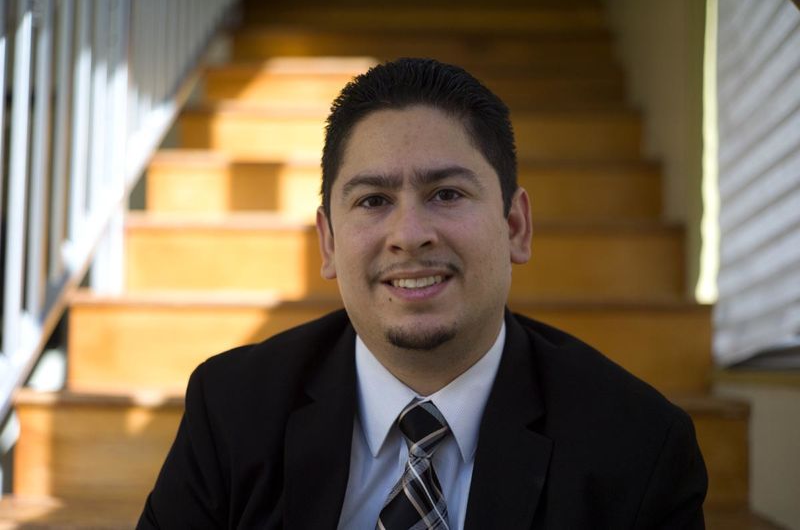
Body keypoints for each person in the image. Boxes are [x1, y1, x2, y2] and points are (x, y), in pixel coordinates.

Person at [138, 58, 707, 529]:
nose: (409, 235)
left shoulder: (639, 446)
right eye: (373, 201)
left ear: (515, 226)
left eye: (447, 193)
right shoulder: (232, 410)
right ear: (329, 242)